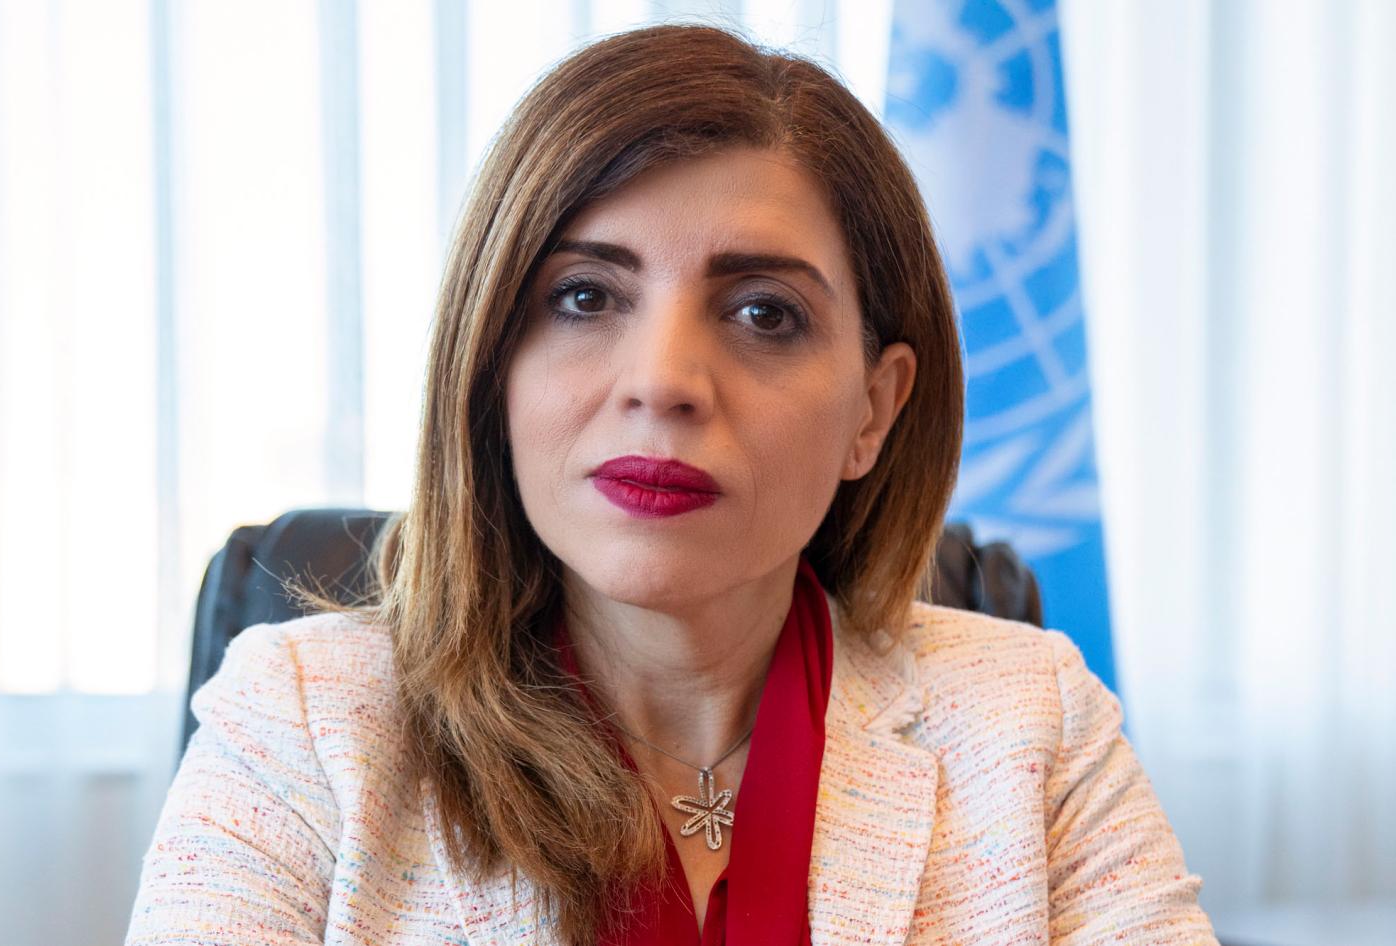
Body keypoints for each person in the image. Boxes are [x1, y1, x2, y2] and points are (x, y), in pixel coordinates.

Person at [124, 22, 1220, 946]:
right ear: (491, 362)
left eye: (763, 313)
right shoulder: (302, 724)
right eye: (585, 297)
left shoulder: (1032, 722)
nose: (662, 382)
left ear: (873, 410)